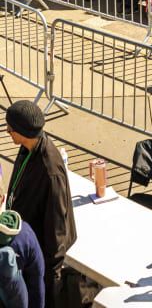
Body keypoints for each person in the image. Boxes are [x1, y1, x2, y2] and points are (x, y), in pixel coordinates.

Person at [1, 103, 68, 308]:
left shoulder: (50, 171)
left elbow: (57, 228)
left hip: (40, 254)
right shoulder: (28, 148)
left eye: (10, 128)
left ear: (22, 132)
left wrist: (52, 272)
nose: (7, 131)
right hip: (25, 234)